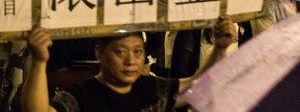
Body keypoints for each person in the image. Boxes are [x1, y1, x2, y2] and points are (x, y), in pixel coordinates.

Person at [21, 17, 237, 112]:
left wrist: (219, 48)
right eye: (121, 51)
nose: (131, 60)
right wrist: (39, 61)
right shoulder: (80, 96)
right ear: (99, 52)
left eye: (137, 52)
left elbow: (197, 85)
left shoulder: (151, 89)